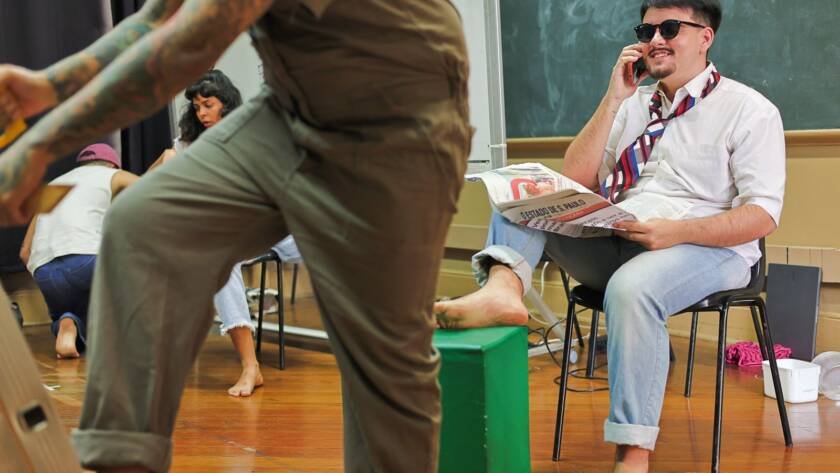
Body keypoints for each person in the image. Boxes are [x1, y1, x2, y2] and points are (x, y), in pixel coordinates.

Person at [0, 1, 470, 472]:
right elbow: (157, 21)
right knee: (146, 223)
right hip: (291, 104)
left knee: (385, 368)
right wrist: (47, 87)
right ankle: (122, 460)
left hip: (394, 107)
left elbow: (184, 47)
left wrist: (43, 144)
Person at [435, 1, 784, 471]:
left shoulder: (749, 110)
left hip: (705, 247)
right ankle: (502, 291)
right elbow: (575, 178)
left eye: (670, 28)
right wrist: (613, 98)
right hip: (621, 233)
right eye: (648, 29)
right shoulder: (634, 104)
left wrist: (675, 232)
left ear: (706, 37)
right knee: (523, 202)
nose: (654, 38)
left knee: (632, 288)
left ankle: (633, 452)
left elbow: (761, 215)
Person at [152, 69, 266, 397]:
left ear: (226, 104)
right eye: (197, 106)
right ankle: (250, 367)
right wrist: (164, 161)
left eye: (208, 104)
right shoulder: (186, 144)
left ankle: (409, 310)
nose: (202, 113)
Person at [19, 144, 138, 359]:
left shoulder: (52, 187)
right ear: (112, 163)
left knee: (73, 307)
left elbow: (25, 252)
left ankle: (66, 322)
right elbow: (151, 186)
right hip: (87, 257)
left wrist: (47, 272)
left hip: (44, 269)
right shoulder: (112, 174)